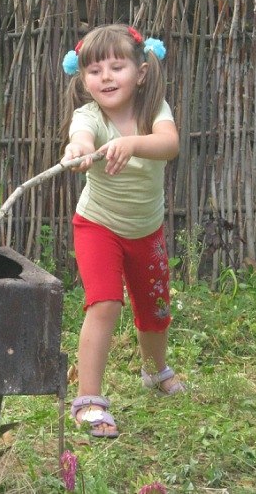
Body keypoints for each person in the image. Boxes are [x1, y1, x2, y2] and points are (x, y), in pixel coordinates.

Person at [59, 24, 184, 439]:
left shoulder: (154, 112)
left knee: (155, 310)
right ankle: (89, 400)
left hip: (147, 231)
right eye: (95, 71)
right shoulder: (89, 116)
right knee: (105, 303)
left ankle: (155, 371)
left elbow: (169, 144)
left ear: (141, 72)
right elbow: (80, 139)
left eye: (117, 67)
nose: (106, 77)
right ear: (83, 79)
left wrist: (132, 144)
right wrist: (77, 151)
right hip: (98, 225)